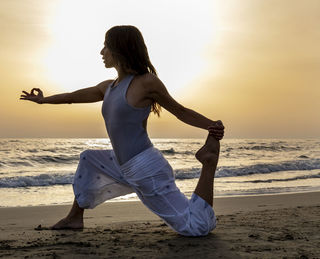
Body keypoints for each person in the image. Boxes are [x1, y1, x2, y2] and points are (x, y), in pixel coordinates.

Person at [20, 25, 224, 236]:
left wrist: (211, 125)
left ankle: (208, 162)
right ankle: (74, 218)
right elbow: (71, 97)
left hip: (147, 170)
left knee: (196, 228)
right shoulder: (108, 87)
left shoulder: (146, 83)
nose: (102, 52)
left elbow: (179, 111)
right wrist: (43, 100)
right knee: (88, 159)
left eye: (106, 47)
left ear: (119, 49)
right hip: (124, 166)